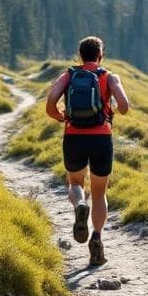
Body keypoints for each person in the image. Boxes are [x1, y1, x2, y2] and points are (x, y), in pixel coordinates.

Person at [45, 36, 130, 267]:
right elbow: (124, 107)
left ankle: (80, 204)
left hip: (74, 137)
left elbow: (50, 102)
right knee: (100, 193)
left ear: (80, 55)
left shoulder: (69, 75)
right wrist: (111, 107)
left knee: (75, 183)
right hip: (102, 138)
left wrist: (61, 116)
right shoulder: (109, 76)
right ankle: (96, 240)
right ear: (101, 55)